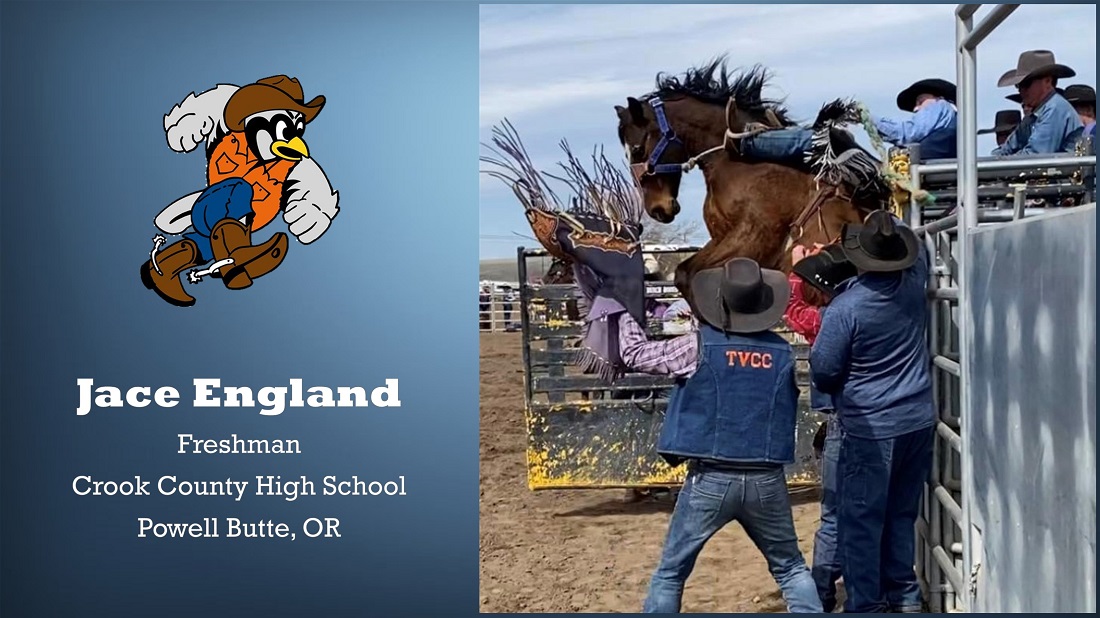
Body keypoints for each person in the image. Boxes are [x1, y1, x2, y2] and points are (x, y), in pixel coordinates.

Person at [618, 257, 821, 614]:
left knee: (671, 572)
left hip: (711, 476)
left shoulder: (698, 345)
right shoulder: (782, 352)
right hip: (767, 477)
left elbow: (634, 354)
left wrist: (620, 307)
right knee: (790, 568)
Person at [810, 210, 934, 613]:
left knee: (862, 523)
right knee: (900, 514)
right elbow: (921, 255)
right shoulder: (913, 286)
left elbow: (825, 370)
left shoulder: (846, 309)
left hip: (870, 426)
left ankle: (867, 605)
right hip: (917, 418)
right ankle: (905, 596)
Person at [785, 242, 858, 612]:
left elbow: (793, 310)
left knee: (832, 515)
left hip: (842, 420)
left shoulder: (827, 319)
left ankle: (824, 592)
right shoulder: (871, 309)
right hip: (877, 417)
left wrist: (797, 272)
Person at [731, 79, 957, 162]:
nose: (916, 108)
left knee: (828, 139)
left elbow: (908, 134)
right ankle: (777, 137)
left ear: (939, 97)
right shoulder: (946, 120)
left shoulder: (940, 106)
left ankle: (750, 141)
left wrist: (862, 116)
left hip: (908, 172)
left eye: (920, 100)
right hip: (910, 170)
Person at [993, 50, 1082, 156]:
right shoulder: (1035, 115)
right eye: (1018, 85)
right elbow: (1008, 147)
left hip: (1066, 172)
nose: (1020, 90)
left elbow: (1035, 155)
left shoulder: (1055, 108)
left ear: (1048, 81)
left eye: (1026, 84)